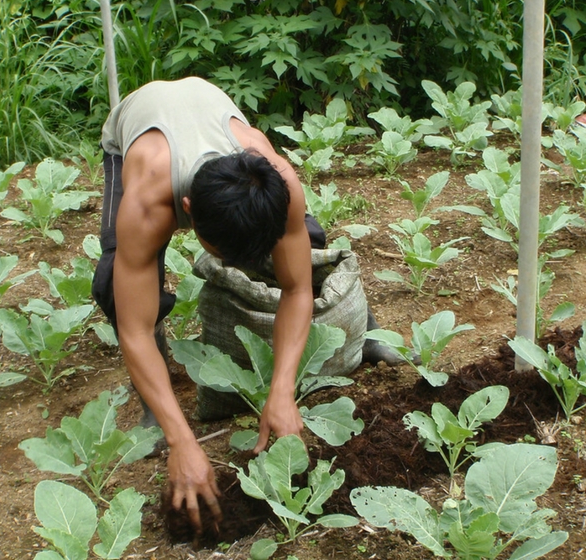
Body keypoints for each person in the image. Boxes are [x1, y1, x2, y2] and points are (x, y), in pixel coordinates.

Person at [90, 77, 402, 532]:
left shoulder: (279, 178)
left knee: (308, 245)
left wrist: (281, 390)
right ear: (188, 210)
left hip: (210, 108)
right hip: (137, 128)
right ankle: (157, 414)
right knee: (115, 289)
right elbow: (133, 331)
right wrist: (184, 442)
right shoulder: (147, 201)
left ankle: (365, 333)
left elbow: (297, 289)